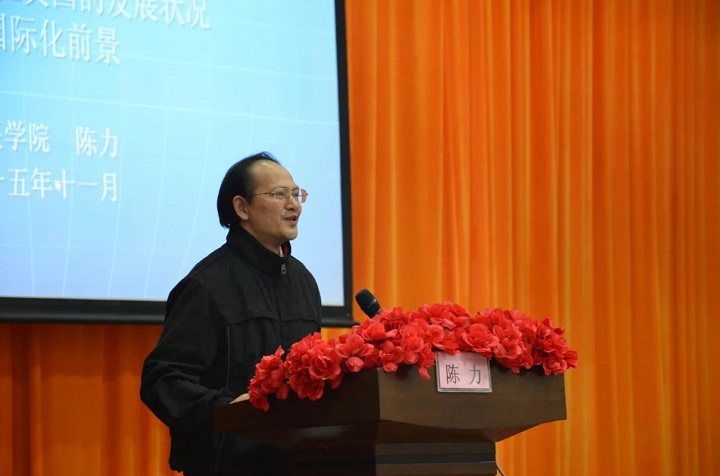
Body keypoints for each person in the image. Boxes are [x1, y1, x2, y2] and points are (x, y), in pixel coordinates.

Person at [140, 151, 322, 475]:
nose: (294, 205)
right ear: (242, 208)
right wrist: (226, 410)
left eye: (296, 194)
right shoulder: (207, 285)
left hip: (296, 463)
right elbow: (163, 379)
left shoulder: (303, 281)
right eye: (280, 194)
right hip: (227, 464)